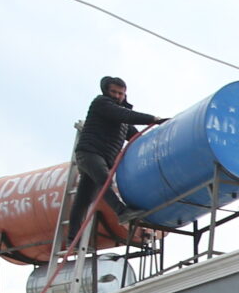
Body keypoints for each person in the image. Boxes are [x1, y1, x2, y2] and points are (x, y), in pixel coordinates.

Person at [60, 76, 165, 257]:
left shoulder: (122, 120)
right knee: (104, 178)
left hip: (102, 157)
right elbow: (125, 115)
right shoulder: (102, 104)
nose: (118, 96)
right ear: (106, 92)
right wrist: (154, 119)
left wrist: (157, 138)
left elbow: (135, 136)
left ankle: (72, 240)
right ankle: (121, 212)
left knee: (84, 200)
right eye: (114, 92)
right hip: (89, 154)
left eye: (121, 93)